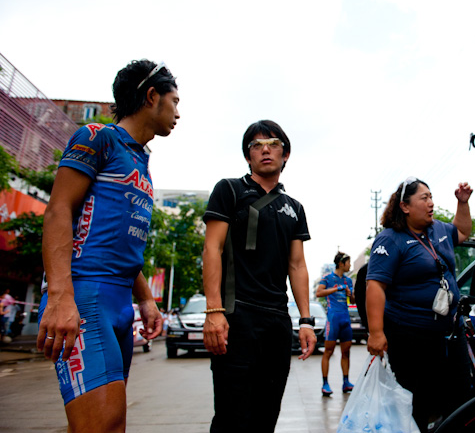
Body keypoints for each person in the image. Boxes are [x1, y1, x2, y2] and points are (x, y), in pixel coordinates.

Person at [36, 59, 177, 432]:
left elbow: (120, 241)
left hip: (119, 307)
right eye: (174, 101)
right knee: (103, 427)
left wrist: (145, 299)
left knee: (101, 424)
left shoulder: (140, 162)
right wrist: (60, 296)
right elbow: (58, 212)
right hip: (84, 299)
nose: (179, 112)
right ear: (151, 97)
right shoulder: (97, 136)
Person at [202, 119, 316, 433]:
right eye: (256, 145)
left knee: (267, 416)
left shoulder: (294, 208)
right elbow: (212, 248)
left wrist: (305, 320)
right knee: (231, 417)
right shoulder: (229, 190)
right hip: (237, 317)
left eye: (273, 143)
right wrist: (214, 311)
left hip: (278, 322)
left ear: (286, 154)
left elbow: (297, 265)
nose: (265, 150)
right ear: (248, 156)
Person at [367, 178, 474, 432]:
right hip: (411, 336)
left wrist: (463, 203)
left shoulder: (438, 229)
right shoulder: (390, 240)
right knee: (418, 403)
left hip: (450, 332)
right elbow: (375, 286)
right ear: (405, 206)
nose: (431, 203)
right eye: (423, 198)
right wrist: (376, 333)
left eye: (431, 197)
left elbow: (462, 231)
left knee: (459, 399)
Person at [316, 251, 355, 396]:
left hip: (345, 318)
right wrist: (337, 288)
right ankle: (325, 383)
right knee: (328, 351)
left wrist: (350, 294)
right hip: (333, 319)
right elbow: (319, 293)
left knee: (346, 351)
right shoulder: (327, 278)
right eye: (348, 263)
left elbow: (352, 301)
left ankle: (346, 382)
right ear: (341, 263)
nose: (349, 265)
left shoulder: (348, 280)